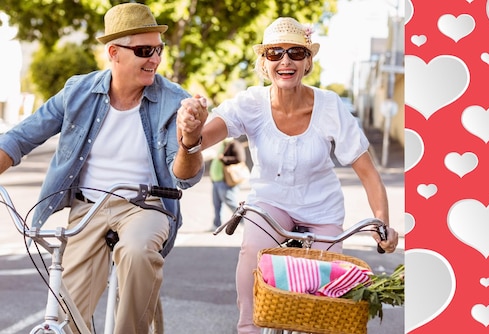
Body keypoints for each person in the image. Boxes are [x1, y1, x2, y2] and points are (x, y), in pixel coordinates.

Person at [174, 17, 400, 334]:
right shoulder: (250, 103)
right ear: (264, 63)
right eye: (274, 53)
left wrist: (382, 224)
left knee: (329, 299)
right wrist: (192, 128)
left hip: (322, 209)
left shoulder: (330, 106)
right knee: (252, 250)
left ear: (307, 62)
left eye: (295, 52)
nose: (285, 61)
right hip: (269, 205)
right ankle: (249, 327)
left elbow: (368, 174)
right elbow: (202, 139)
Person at [0, 3, 205, 333]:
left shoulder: (172, 100)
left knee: (137, 253)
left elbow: (186, 175)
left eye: (158, 49)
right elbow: (20, 138)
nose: (154, 58)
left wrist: (190, 139)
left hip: (146, 205)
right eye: (144, 50)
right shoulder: (77, 92)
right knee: (67, 315)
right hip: (87, 208)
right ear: (114, 53)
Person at [209, 137, 247, 231]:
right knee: (216, 204)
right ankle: (216, 224)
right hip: (217, 180)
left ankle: (245, 223)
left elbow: (240, 158)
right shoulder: (224, 144)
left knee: (231, 203)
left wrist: (224, 159)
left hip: (226, 181)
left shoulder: (234, 144)